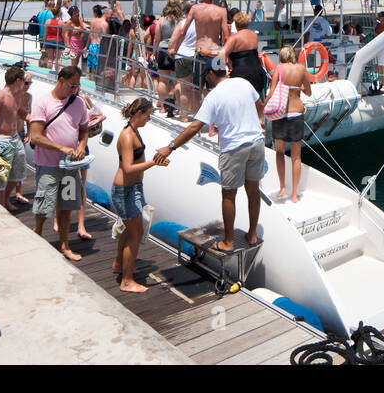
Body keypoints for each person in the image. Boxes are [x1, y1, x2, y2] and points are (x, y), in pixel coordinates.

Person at [154, 56, 264, 253]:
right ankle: (252, 234)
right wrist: (258, 123)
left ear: (211, 74)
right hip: (256, 142)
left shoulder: (213, 97)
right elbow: (260, 105)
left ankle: (228, 242)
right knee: (253, 190)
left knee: (229, 194)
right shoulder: (243, 83)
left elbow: (194, 127)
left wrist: (170, 147)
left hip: (234, 147)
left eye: (206, 75)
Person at [28, 67, 89, 261]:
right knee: (43, 207)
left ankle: (64, 245)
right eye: (72, 85)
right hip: (48, 165)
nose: (75, 89)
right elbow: (36, 137)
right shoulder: (43, 103)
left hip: (70, 167)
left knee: (67, 206)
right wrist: (61, 148)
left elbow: (84, 130)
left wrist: (81, 145)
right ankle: (36, 236)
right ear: (61, 80)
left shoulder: (79, 103)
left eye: (77, 85)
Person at [110, 97, 168, 292]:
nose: (148, 120)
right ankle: (126, 281)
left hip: (133, 189)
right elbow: (127, 168)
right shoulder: (127, 136)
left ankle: (120, 263)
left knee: (131, 229)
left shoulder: (134, 131)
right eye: (148, 116)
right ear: (138, 114)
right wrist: (154, 162)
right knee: (136, 232)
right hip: (125, 190)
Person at [266, 46, 311, 203]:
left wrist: (264, 107)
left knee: (279, 152)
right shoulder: (302, 69)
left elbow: (272, 92)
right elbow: (309, 92)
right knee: (296, 157)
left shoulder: (279, 68)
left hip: (281, 113)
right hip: (296, 112)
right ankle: (294, 194)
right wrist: (300, 87)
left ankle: (282, 188)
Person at [0, 65, 32, 209]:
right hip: (2, 138)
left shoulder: (18, 96)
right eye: (23, 81)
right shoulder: (0, 96)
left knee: (19, 172)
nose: (25, 84)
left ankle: (4, 200)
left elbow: (22, 113)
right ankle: (0, 204)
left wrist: (37, 120)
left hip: (14, 137)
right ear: (17, 80)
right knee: (1, 174)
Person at [219, 11, 266, 98]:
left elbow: (222, 55)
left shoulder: (234, 38)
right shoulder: (254, 36)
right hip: (257, 73)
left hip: (241, 75)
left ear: (236, 24)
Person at [168, 6, 201, 116]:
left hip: (182, 55)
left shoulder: (182, 23)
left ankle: (184, 116)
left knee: (184, 88)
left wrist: (171, 50)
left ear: (185, 12)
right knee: (195, 88)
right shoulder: (199, 23)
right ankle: (196, 115)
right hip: (195, 56)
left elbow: (173, 40)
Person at [36, 0, 58, 69]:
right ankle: (46, 69)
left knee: (43, 54)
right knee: (49, 56)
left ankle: (40, 68)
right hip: (48, 37)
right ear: (53, 6)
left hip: (40, 37)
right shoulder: (51, 14)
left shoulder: (40, 13)